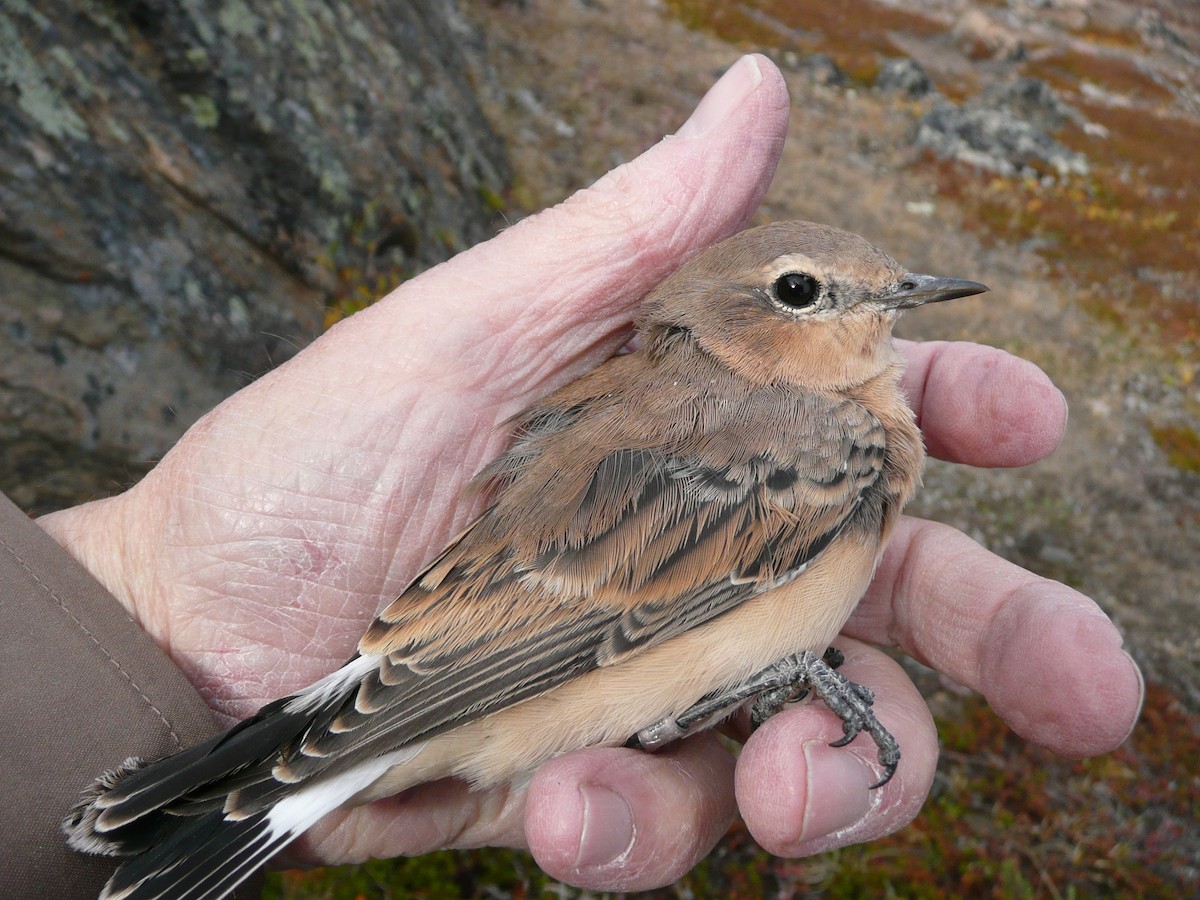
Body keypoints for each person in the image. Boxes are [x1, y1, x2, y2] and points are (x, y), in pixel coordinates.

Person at [3, 54, 1142, 897]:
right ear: (737, 321)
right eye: (807, 292)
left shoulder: (770, 418)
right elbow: (597, 637)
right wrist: (790, 663)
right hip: (493, 671)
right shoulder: (825, 447)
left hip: (441, 657)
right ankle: (270, 784)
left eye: (881, 292)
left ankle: (251, 779)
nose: (872, 313)